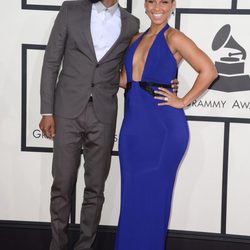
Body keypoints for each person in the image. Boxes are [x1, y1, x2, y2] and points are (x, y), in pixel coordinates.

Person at [115, 0, 218, 250]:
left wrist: (183, 100)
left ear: (172, 5)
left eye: (164, 1)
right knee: (132, 197)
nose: (157, 7)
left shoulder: (175, 38)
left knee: (155, 199)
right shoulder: (135, 39)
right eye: (152, 1)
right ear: (145, 5)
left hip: (163, 130)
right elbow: (125, 80)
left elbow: (209, 71)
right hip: (133, 130)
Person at [39, 0, 140, 249]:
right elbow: (52, 61)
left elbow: (132, 68)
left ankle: (85, 246)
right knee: (62, 184)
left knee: (95, 189)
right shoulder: (70, 10)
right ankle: (58, 244)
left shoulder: (131, 23)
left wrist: (165, 82)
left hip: (103, 114)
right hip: (67, 110)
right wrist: (47, 111)